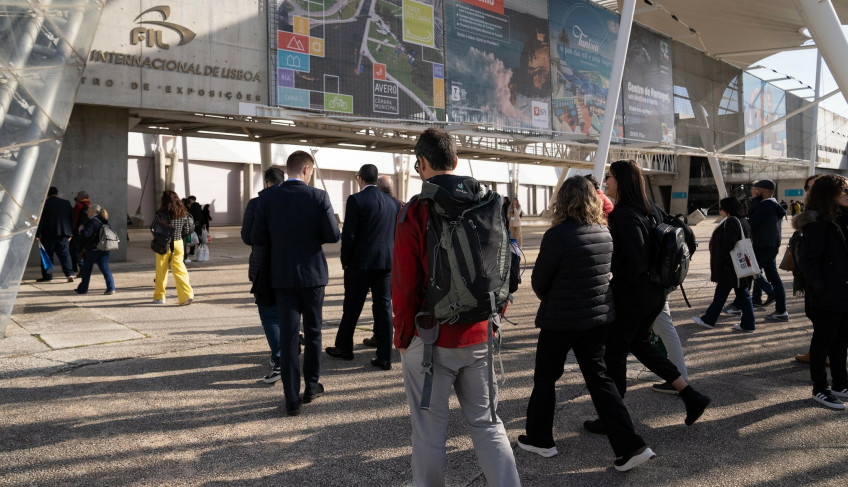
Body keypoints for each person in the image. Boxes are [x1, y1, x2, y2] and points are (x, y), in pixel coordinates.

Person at [392, 128, 520, 486]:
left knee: (430, 434)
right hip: (480, 332)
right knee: (488, 424)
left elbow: (403, 287)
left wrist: (402, 337)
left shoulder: (416, 211)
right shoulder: (487, 202)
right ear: (456, 161)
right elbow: (502, 265)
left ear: (421, 163)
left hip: (431, 339)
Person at [518, 176, 655, 471]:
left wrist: (557, 297)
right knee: (600, 379)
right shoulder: (604, 233)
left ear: (562, 201)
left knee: (545, 378)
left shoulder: (556, 235)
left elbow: (540, 282)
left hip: (560, 319)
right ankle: (630, 445)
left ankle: (541, 439)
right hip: (596, 318)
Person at [585, 160, 710, 434]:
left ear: (621, 180)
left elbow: (633, 262)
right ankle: (690, 395)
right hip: (655, 292)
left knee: (614, 354)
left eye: (610, 177)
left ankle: (612, 419)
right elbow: (685, 237)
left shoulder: (624, 214)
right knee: (641, 345)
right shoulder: (652, 208)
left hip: (633, 294)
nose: (606, 181)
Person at [251, 150, 340, 417]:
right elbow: (333, 235)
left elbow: (256, 236)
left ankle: (291, 398)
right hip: (313, 276)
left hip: (282, 277)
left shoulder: (268, 198)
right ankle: (311, 386)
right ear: (307, 169)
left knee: (289, 337)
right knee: (313, 333)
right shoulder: (318, 196)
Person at [327, 164, 401, 370]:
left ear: (360, 178)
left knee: (352, 307)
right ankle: (385, 356)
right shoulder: (392, 203)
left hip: (360, 263)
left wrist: (345, 260)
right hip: (386, 264)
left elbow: (349, 235)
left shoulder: (356, 200)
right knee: (384, 308)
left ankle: (344, 347)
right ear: (376, 180)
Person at [796, 174, 848, 409]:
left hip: (843, 290)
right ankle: (820, 388)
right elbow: (809, 262)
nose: (847, 194)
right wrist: (820, 290)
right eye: (844, 190)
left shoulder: (841, 219)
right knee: (823, 341)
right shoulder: (817, 223)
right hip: (827, 293)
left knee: (841, 341)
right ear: (830, 194)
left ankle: (840, 383)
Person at [241, 167, 286, 384]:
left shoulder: (256, 203)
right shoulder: (291, 201)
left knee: (269, 314)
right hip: (290, 266)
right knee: (288, 311)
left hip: (263, 267)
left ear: (266, 183)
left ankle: (280, 360)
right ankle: (288, 350)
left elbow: (247, 237)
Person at [691, 197, 756, 332]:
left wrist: (719, 252)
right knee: (739, 295)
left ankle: (709, 320)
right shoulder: (744, 221)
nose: (720, 211)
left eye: (721, 208)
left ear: (727, 209)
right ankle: (747, 324)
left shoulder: (732, 221)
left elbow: (729, 244)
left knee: (732, 295)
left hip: (731, 267)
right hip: (737, 265)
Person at [790, 175, 823, 363]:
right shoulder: (809, 214)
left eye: (813, 188)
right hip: (808, 275)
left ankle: (821, 353)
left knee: (821, 316)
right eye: (807, 187)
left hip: (821, 277)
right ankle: (819, 351)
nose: (808, 192)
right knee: (813, 314)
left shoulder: (824, 217)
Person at [748, 179, 788, 322]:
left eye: (756, 189)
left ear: (764, 191)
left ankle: (775, 300)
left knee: (753, 272)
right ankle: (762, 301)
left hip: (762, 246)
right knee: (770, 276)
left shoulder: (764, 206)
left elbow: (751, 223)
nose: (753, 192)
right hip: (770, 245)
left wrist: (754, 203)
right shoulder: (773, 204)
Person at [151, 190, 195, 306]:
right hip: (178, 243)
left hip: (163, 243)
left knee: (161, 270)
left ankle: (159, 297)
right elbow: (186, 230)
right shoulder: (182, 212)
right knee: (180, 269)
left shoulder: (160, 213)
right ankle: (186, 295)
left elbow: (154, 229)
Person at [74, 204, 116, 295]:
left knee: (86, 270)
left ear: (94, 211)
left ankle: (83, 289)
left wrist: (81, 229)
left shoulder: (93, 221)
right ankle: (111, 288)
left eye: (89, 210)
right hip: (104, 249)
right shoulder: (105, 221)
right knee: (105, 269)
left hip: (92, 250)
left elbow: (86, 235)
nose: (87, 212)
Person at [36, 187, 75, 283]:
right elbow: (72, 218)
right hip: (63, 234)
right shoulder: (66, 203)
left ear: (47, 194)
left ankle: (47, 276)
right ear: (57, 193)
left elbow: (41, 220)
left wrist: (37, 234)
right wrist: (70, 233)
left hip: (47, 234)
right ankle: (69, 274)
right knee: (65, 255)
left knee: (47, 255)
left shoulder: (44, 204)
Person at [71, 191, 91, 273]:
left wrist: (72, 230)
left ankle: (80, 268)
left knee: (74, 250)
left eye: (78, 196)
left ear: (81, 197)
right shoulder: (90, 205)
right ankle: (81, 267)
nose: (77, 197)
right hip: (87, 232)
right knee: (84, 250)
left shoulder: (78, 205)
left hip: (78, 232)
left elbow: (74, 219)